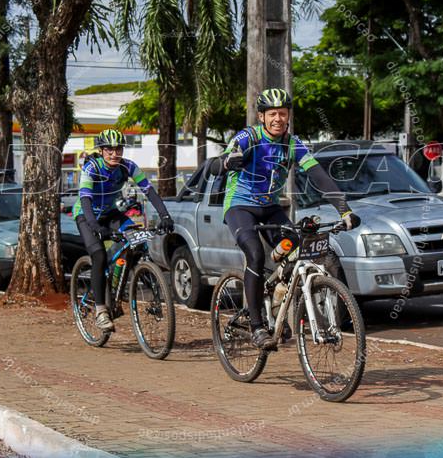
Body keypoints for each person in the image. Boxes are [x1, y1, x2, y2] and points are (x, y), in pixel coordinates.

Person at [208, 88, 360, 350]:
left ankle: (277, 298)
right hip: (239, 207)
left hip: (270, 208)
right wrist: (226, 162)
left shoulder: (292, 144)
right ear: (262, 116)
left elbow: (318, 175)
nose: (278, 118)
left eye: (283, 113)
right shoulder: (249, 137)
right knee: (255, 254)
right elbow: (214, 165)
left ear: (289, 116)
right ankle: (256, 326)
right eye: (272, 114)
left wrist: (344, 209)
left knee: (297, 250)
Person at [74, 129, 174, 332]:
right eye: (109, 149)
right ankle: (101, 311)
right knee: (99, 255)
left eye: (118, 149)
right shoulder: (91, 167)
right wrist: (95, 227)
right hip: (87, 216)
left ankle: (119, 283)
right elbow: (85, 199)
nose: (114, 153)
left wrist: (164, 216)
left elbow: (149, 191)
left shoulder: (128, 167)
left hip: (110, 213)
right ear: (102, 151)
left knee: (137, 241)